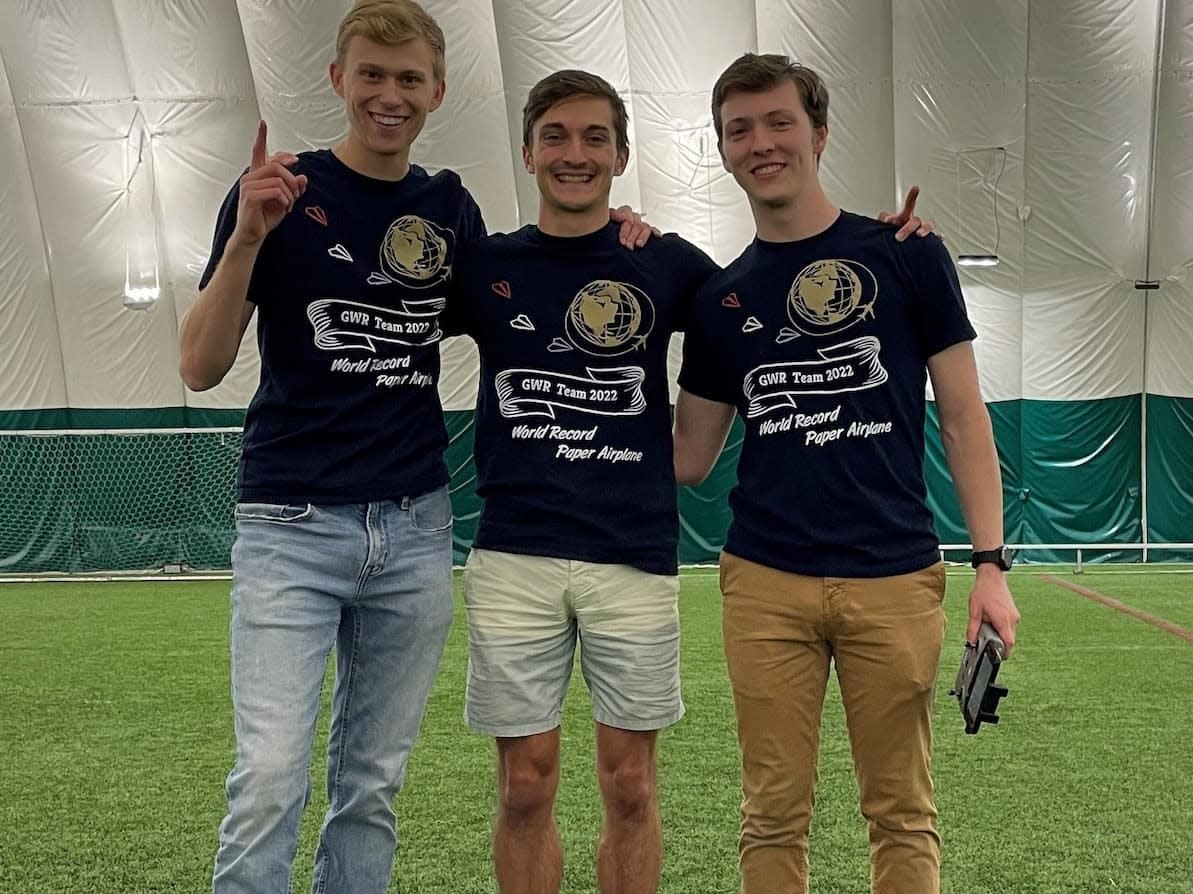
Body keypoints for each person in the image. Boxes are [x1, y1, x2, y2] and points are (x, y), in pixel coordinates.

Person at [178, 3, 653, 892]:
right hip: (292, 521)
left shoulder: (447, 207)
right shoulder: (282, 193)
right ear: (337, 80)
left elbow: (523, 297)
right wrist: (245, 234)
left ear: (435, 90)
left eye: (407, 79)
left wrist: (612, 239)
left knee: (372, 782)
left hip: (413, 527)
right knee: (270, 776)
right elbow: (200, 365)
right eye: (371, 74)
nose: (388, 95)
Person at [443, 68, 932, 894]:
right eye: (555, 136)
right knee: (524, 783)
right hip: (513, 555)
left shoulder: (669, 266)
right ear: (527, 153)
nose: (574, 153)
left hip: (633, 553)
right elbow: (380, 308)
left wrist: (886, 244)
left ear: (621, 155)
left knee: (629, 783)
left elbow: (768, 289)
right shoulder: (485, 264)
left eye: (595, 137)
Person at [672, 53, 1021, 894]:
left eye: (778, 122)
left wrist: (989, 565)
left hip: (895, 578)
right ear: (721, 150)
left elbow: (964, 417)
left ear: (819, 133)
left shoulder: (904, 254)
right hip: (762, 583)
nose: (760, 143)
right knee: (770, 816)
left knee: (901, 812)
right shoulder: (722, 300)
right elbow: (688, 458)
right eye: (739, 129)